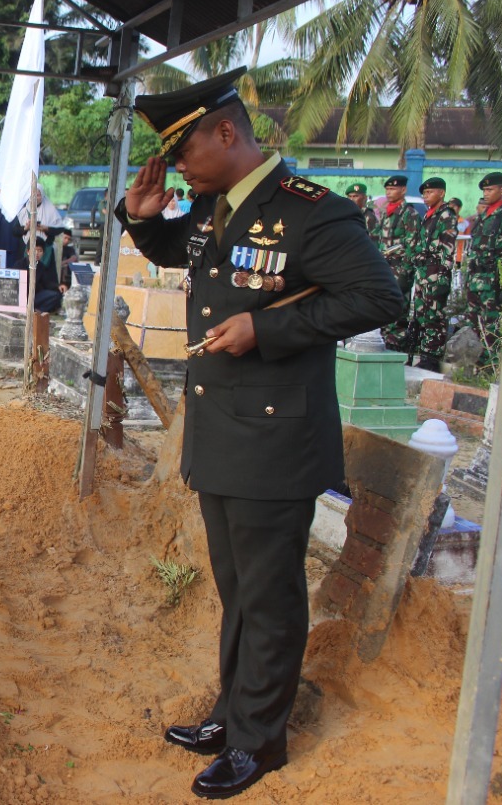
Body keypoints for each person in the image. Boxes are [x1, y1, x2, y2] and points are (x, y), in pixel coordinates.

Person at [117, 67, 403, 800]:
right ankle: (232, 712)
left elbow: (378, 297)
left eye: (183, 151)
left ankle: (259, 741)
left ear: (226, 132)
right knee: (238, 589)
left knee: (270, 596)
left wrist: (266, 329)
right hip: (222, 431)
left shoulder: (312, 212)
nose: (178, 167)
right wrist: (141, 219)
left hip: (276, 441)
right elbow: (186, 256)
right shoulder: (214, 208)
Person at [410, 176, 458, 371]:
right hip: (424, 273)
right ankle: (423, 354)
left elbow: (448, 250)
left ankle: (431, 358)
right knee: (421, 315)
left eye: (430, 192)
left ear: (442, 193)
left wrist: (442, 277)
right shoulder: (429, 215)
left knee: (434, 317)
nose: (425, 196)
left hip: (436, 275)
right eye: (424, 193)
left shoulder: (446, 216)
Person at [373, 175, 422, 354]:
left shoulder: (410, 214)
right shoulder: (386, 213)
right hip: (384, 268)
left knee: (399, 309)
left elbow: (412, 245)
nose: (389, 192)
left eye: (393, 189)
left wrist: (405, 272)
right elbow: (379, 241)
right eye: (387, 189)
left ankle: (396, 347)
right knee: (383, 307)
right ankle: (384, 343)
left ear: (403, 190)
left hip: (400, 268)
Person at [465, 172, 502, 366]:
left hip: (493, 283)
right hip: (476, 281)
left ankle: (491, 368)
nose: (486, 193)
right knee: (474, 326)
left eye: (490, 189)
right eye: (484, 190)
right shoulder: (483, 216)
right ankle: (476, 367)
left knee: (491, 329)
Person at [17, 236, 69, 313]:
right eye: (34, 250)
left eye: (40, 251)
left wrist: (58, 286)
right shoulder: (19, 264)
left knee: (56, 295)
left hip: (35, 297)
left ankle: (39, 311)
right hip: (20, 297)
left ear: (43, 253)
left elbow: (47, 283)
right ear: (28, 251)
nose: (37, 253)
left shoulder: (41, 267)